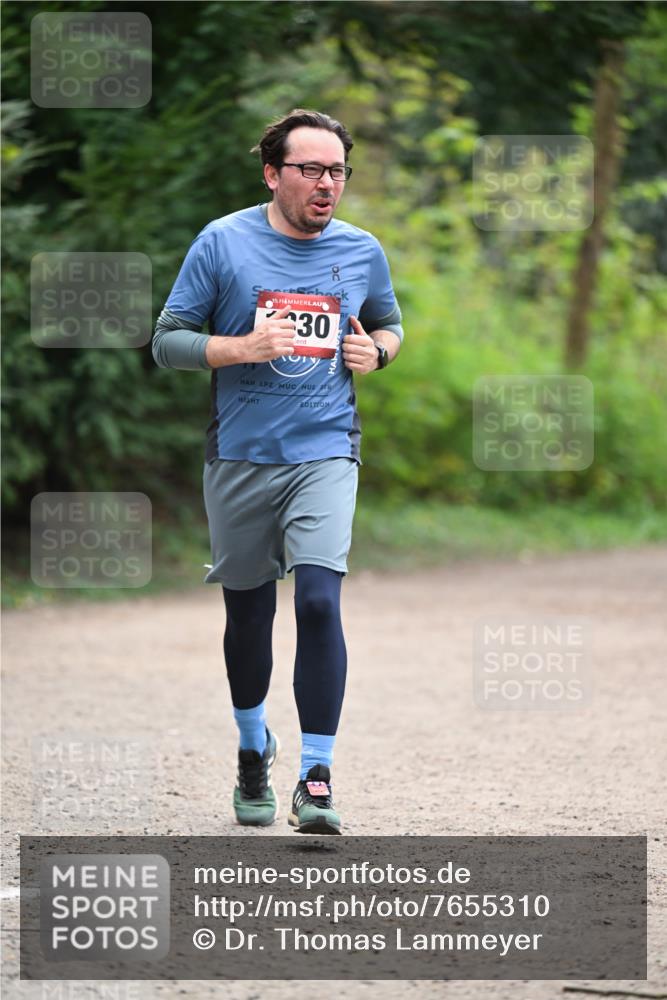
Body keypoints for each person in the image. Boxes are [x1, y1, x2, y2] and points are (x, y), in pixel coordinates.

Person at [152, 108, 403, 835]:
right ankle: (251, 746)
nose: (327, 184)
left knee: (319, 602)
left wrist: (379, 353)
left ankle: (315, 777)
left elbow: (387, 324)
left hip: (325, 451)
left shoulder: (361, 250)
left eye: (337, 172)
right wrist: (240, 347)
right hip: (240, 455)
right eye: (311, 170)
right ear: (272, 173)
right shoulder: (222, 242)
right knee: (249, 614)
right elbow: (166, 342)